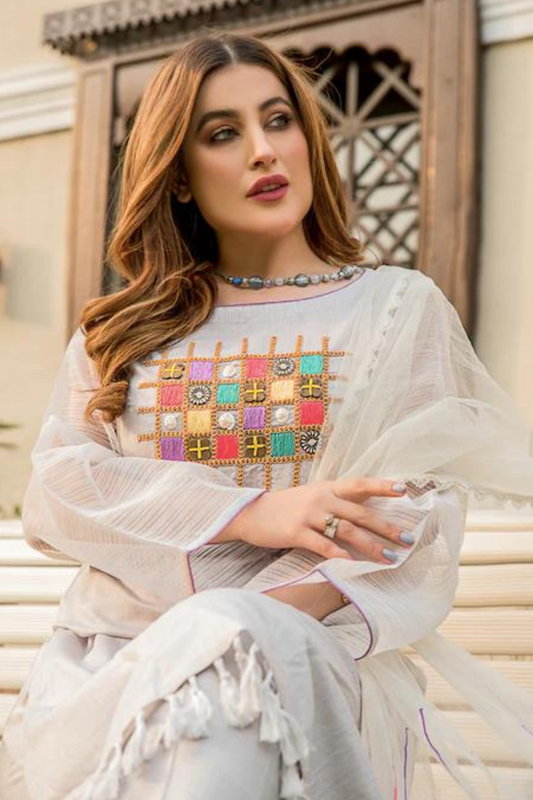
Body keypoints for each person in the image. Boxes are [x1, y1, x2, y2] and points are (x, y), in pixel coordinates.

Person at [1, 29, 533, 800]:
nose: (262, 151)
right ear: (179, 176)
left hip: (298, 656)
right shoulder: (118, 332)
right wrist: (250, 513)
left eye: (278, 120)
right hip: (108, 670)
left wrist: (221, 627)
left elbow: (402, 525)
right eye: (222, 134)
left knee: (231, 673)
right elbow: (60, 491)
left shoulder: (393, 310)